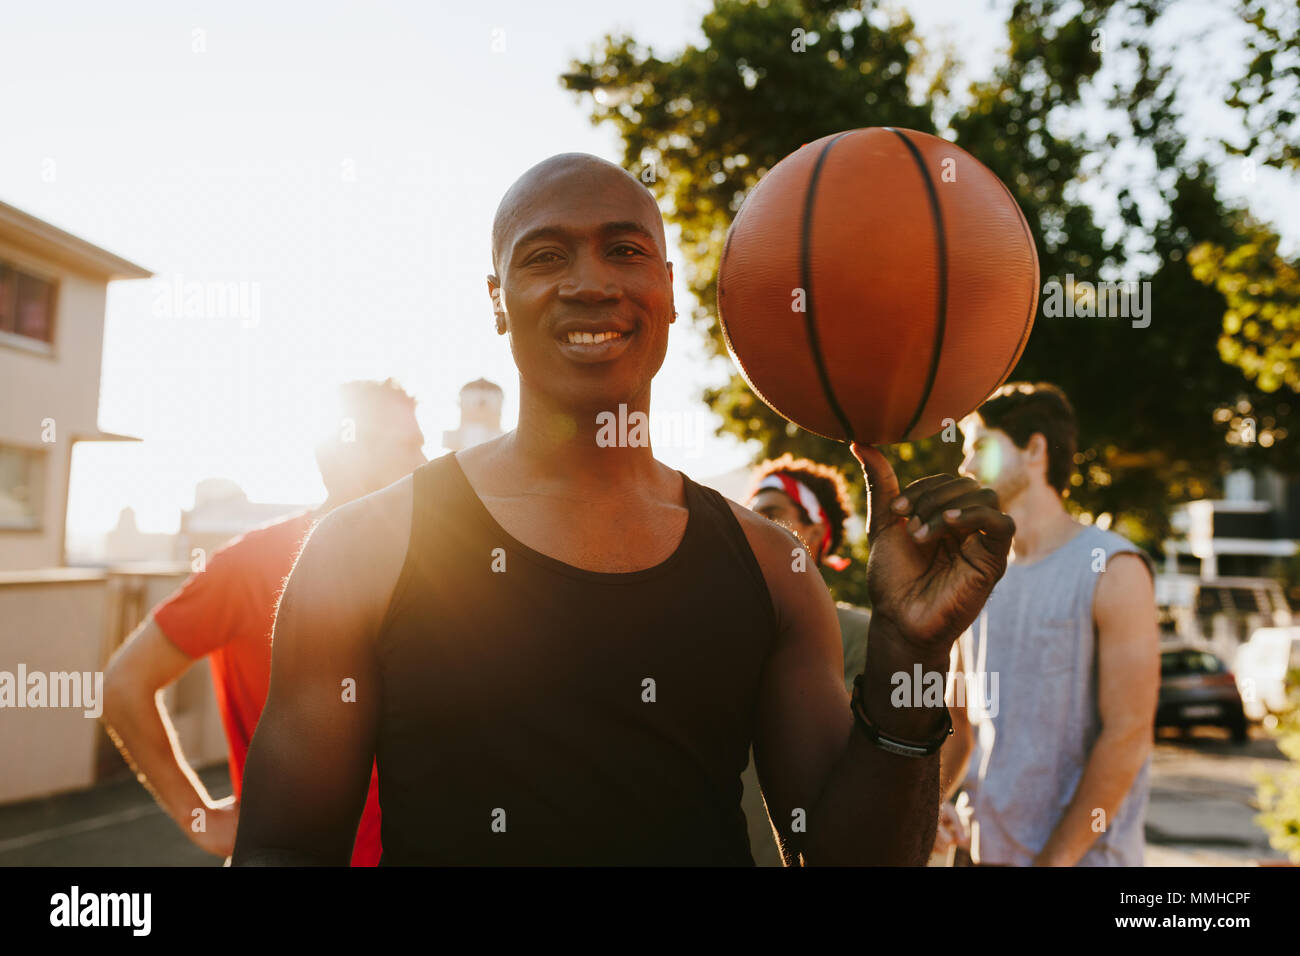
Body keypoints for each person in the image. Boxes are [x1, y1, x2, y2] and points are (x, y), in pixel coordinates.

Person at [232, 153, 1015, 866]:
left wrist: (910, 651)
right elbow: (282, 857)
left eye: (625, 250)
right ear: (497, 300)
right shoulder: (362, 550)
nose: (590, 283)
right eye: (545, 256)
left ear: (670, 291)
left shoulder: (772, 566)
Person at [102, 379, 427, 865]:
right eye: (410, 447)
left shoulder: (430, 568)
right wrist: (202, 818)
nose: (426, 463)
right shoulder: (253, 563)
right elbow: (122, 685)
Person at [937, 382, 1159, 866]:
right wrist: (932, 803)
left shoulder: (1113, 568)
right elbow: (960, 721)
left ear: (1035, 449)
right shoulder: (977, 575)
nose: (965, 467)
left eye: (980, 447)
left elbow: (1127, 736)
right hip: (982, 855)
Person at [742, 454, 870, 864]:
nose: (752, 528)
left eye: (771, 514)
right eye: (749, 516)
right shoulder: (712, 629)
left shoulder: (862, 636)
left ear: (813, 532)